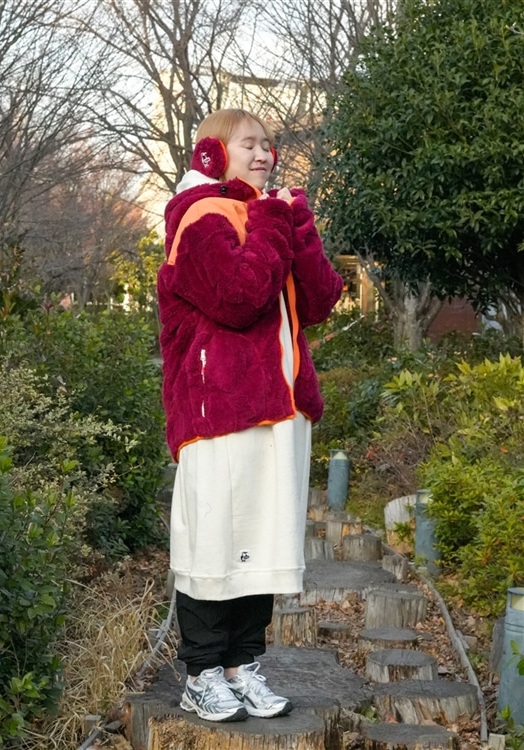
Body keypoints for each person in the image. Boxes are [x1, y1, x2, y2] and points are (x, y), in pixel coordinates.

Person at [157, 108, 343, 723]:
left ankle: (241, 666)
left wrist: (299, 224)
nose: (264, 155)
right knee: (214, 538)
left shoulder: (268, 214)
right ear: (213, 154)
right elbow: (238, 298)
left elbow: (320, 299)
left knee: (260, 539)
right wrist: (271, 220)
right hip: (220, 406)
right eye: (249, 145)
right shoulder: (199, 218)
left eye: (268, 145)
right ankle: (202, 673)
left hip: (278, 407)